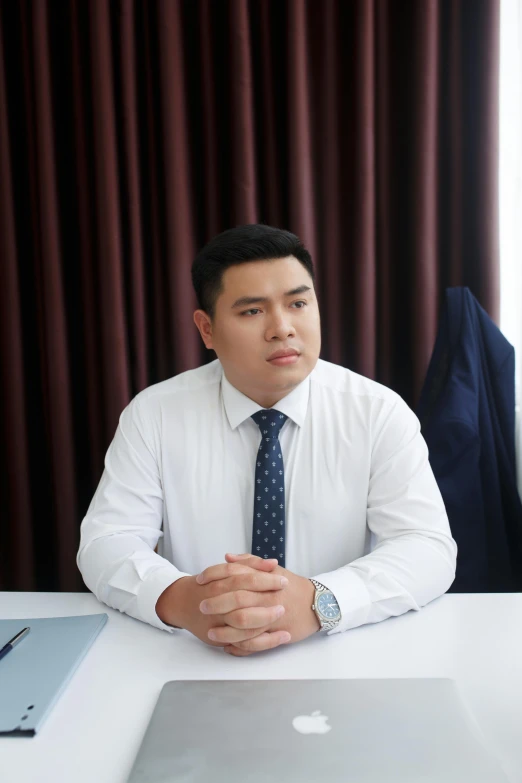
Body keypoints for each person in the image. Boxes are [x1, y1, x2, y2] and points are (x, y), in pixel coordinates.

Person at [77, 223, 457, 657]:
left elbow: (427, 548)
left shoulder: (377, 411)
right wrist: (183, 600)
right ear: (207, 329)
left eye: (298, 303)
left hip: (342, 650)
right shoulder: (155, 413)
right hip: (197, 656)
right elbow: (107, 541)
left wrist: (320, 601)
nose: (282, 328)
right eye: (252, 311)